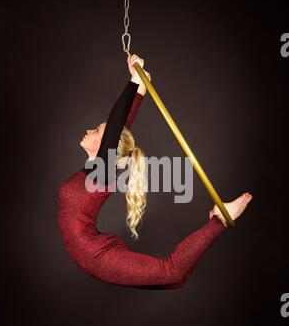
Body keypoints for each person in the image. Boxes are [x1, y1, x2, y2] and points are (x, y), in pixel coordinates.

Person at [58, 54, 252, 290]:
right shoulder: (97, 170)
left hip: (95, 256)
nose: (90, 129)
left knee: (171, 274)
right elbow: (119, 130)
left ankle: (218, 221)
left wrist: (133, 82)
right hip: (94, 249)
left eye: (98, 130)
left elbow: (117, 127)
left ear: (105, 144)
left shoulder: (102, 172)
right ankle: (217, 223)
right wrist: (139, 88)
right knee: (171, 279)